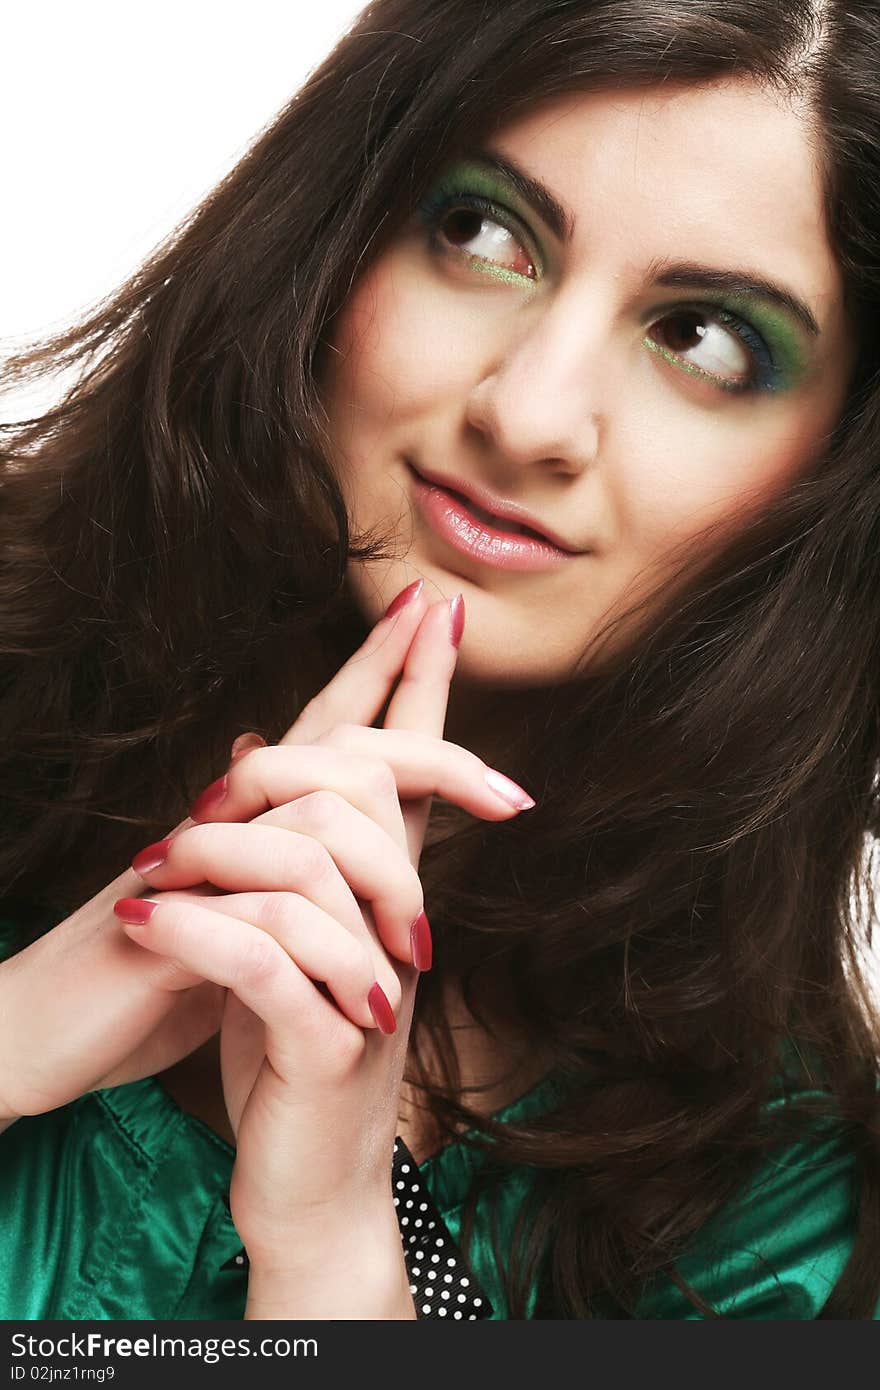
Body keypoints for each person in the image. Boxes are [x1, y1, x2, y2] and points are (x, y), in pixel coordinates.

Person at [0, 0, 879, 1321]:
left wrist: (335, 1249)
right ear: (337, 222)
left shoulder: (783, 1213)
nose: (526, 413)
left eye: (703, 337)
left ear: (834, 469)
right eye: (482, 233)